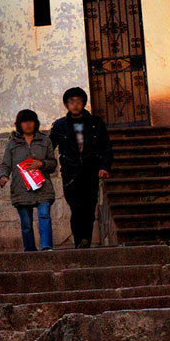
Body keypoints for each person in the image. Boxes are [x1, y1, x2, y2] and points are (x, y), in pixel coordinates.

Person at [49, 86, 113, 247]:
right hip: (70, 173)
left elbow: (106, 147)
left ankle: (86, 240)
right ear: (66, 105)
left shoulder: (96, 123)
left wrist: (104, 166)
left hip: (91, 171)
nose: (75, 105)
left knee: (89, 208)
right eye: (72, 102)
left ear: (84, 103)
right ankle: (80, 241)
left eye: (78, 101)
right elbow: (48, 146)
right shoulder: (60, 126)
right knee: (76, 208)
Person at [0, 109, 58, 251]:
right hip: (21, 188)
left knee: (44, 216)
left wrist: (41, 164)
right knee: (26, 223)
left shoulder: (45, 141)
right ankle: (30, 250)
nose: (28, 124)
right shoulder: (12, 143)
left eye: (31, 121)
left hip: (42, 187)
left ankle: (46, 247)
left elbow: (53, 163)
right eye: (24, 121)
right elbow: (6, 163)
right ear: (19, 124)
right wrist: (3, 176)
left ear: (35, 123)